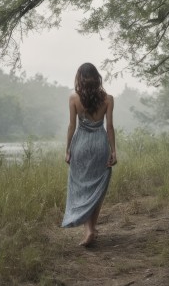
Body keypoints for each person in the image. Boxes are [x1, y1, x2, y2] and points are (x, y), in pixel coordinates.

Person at [61, 62, 117, 247]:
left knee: (82, 187)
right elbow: (109, 127)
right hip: (100, 145)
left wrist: (68, 149)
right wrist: (114, 151)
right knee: (97, 188)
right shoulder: (108, 99)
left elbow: (71, 126)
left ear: (80, 78)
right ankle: (91, 228)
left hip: (81, 145)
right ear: (97, 77)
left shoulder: (74, 98)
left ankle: (89, 230)